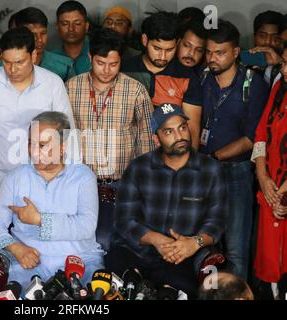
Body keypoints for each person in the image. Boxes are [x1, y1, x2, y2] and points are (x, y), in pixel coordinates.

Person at [106, 103, 227, 298]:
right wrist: (156, 239)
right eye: (169, 131)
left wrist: (194, 243)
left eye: (182, 127)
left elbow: (216, 222)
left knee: (172, 293)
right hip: (135, 253)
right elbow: (124, 219)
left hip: (182, 259)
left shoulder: (211, 170)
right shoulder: (139, 168)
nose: (179, 137)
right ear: (157, 138)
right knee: (124, 288)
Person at [0, 27, 77, 212]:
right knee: (2, 235)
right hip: (3, 180)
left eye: (20, 62)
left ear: (34, 55)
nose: (13, 69)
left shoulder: (52, 84)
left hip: (46, 181)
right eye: (7, 62)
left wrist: (72, 181)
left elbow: (68, 135)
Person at [0, 111, 104, 291]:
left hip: (80, 260)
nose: (34, 151)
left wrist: (40, 220)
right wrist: (15, 248)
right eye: (31, 144)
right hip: (30, 262)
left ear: (63, 147)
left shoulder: (83, 177)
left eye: (43, 145)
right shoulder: (15, 177)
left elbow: (86, 226)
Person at [66, 27, 155, 251]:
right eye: (100, 63)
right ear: (89, 58)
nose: (106, 70)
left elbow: (146, 142)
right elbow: (63, 137)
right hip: (79, 183)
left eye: (113, 64)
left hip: (121, 184)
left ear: (120, 61)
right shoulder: (71, 88)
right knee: (84, 241)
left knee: (111, 241)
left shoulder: (135, 90)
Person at [200, 20, 269, 280]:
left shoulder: (254, 84)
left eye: (220, 53)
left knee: (237, 246)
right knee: (206, 245)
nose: (213, 58)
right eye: (209, 52)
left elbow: (252, 138)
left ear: (236, 52)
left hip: (236, 171)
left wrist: (213, 157)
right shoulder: (204, 78)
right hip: (203, 171)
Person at [121, 11, 203, 149]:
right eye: (157, 48)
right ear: (145, 40)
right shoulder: (124, 70)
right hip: (128, 151)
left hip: (170, 155)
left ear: (177, 43)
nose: (163, 56)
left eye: (170, 49)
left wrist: (191, 165)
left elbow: (192, 128)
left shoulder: (186, 76)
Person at [252, 42, 287, 299]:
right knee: (268, 265)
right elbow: (261, 134)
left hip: (281, 193)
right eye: (284, 63)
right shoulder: (278, 88)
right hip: (271, 189)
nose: (284, 69)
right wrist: (262, 177)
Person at [2, 7, 75, 82]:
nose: (39, 39)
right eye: (33, 35)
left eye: (43, 33)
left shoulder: (64, 67)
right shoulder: (3, 66)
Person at [53, 0, 91, 77]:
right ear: (57, 27)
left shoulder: (98, 54)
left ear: (86, 26)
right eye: (65, 24)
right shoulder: (50, 58)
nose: (71, 29)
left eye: (77, 23)